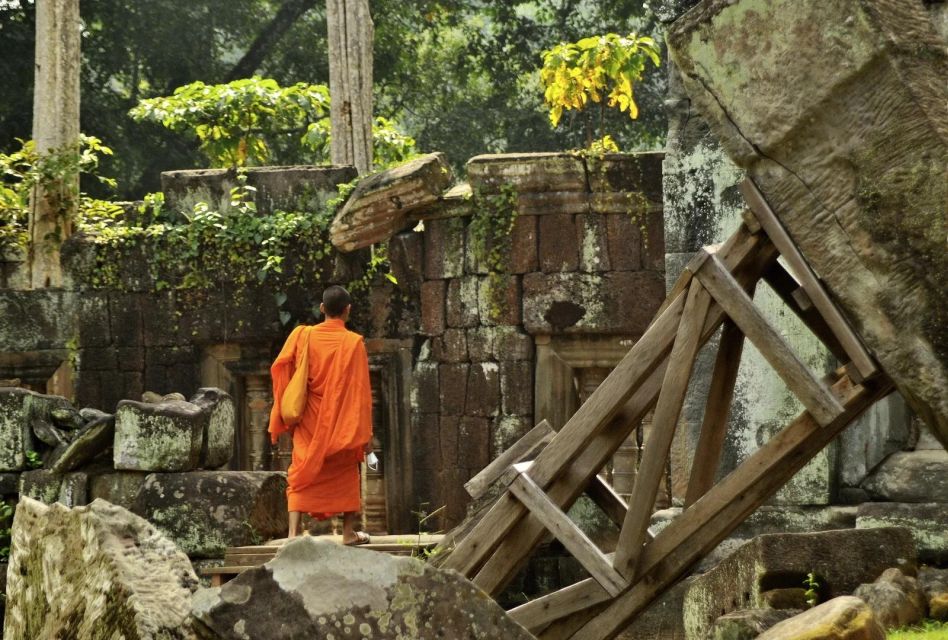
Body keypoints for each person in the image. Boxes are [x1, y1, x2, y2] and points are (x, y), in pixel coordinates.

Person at [268, 285, 373, 544]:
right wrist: (365, 437)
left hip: (309, 418)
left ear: (322, 309)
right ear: (348, 310)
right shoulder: (353, 343)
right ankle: (348, 533)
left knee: (300, 470)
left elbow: (281, 368)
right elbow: (361, 393)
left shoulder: (303, 336)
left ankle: (293, 534)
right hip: (341, 422)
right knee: (347, 470)